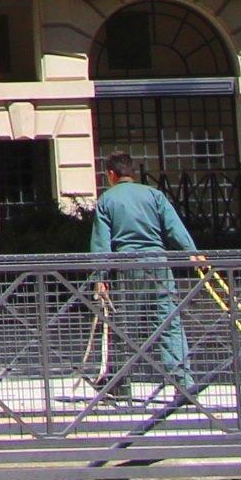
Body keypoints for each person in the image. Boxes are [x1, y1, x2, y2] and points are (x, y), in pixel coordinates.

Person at [89, 152, 203, 399]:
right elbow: (174, 227)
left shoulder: (106, 200)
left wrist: (100, 277)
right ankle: (183, 382)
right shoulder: (154, 195)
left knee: (125, 327)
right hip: (159, 263)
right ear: (133, 173)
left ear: (111, 174)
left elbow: (102, 244)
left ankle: (121, 384)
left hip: (127, 266)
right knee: (169, 322)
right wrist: (193, 253)